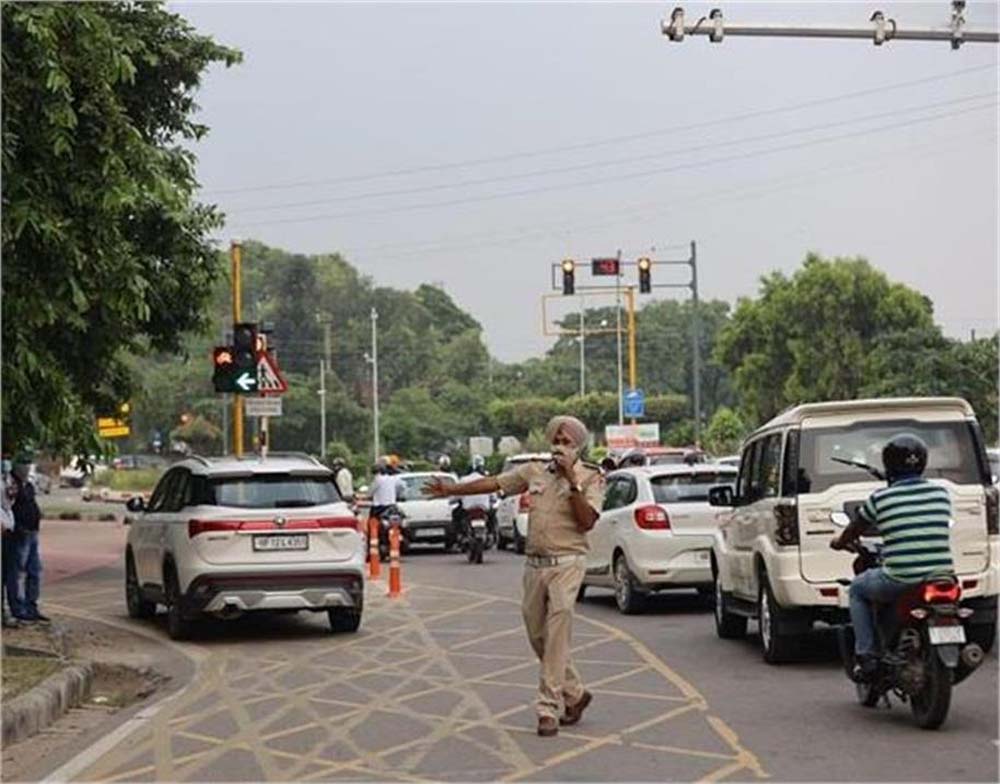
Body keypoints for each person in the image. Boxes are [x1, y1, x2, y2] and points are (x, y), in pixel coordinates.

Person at [427, 415, 604, 737]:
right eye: (557, 440)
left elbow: (587, 521)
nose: (559, 447)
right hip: (535, 564)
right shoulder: (534, 470)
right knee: (537, 635)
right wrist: (452, 489)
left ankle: (547, 708)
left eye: (567, 442)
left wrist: (571, 481)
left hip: (568, 563)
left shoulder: (590, 477)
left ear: (578, 447)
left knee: (556, 633)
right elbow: (496, 483)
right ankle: (576, 693)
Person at [831, 433, 953, 682]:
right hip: (943, 576)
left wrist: (839, 542)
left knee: (857, 589)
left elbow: (856, 528)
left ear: (888, 465)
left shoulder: (881, 499)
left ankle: (866, 656)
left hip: (900, 577)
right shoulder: (941, 495)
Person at [8, 452, 48, 623]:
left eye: (28, 464)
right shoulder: (11, 484)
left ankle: (31, 607)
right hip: (19, 534)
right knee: (15, 573)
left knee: (35, 571)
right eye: (23, 464)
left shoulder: (28, 485)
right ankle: (18, 609)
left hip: (32, 533)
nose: (26, 467)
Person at [1, 460, 20, 628]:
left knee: (10, 575)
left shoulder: (7, 479)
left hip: (9, 529)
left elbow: (9, 500)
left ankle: (12, 610)